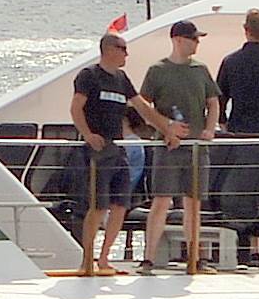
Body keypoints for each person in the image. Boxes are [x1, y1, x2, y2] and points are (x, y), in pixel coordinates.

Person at [70, 31, 189, 276]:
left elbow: (143, 108)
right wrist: (87, 134)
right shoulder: (89, 76)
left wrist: (166, 129)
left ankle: (104, 258)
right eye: (123, 48)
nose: (127, 54)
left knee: (120, 204)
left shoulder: (121, 78)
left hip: (118, 148)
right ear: (109, 50)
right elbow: (76, 108)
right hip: (97, 150)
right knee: (98, 206)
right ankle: (87, 259)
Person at [140, 20, 222, 274]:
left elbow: (213, 102)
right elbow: (143, 106)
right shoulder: (158, 70)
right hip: (167, 147)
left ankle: (194, 259)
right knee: (161, 201)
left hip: (196, 148)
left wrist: (209, 129)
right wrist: (166, 127)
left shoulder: (201, 70)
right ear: (178, 39)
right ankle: (148, 259)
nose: (196, 43)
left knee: (193, 204)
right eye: (193, 38)